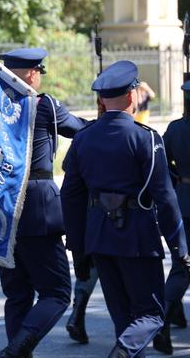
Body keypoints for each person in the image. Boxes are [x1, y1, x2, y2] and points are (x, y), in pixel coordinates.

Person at [61, 60, 190, 357]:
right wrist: (179, 247)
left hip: (99, 238)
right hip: (137, 238)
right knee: (151, 315)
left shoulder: (82, 139)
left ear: (101, 101)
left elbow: (70, 196)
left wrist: (78, 247)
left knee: (123, 317)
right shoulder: (145, 138)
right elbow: (165, 197)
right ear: (132, 97)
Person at [0, 48, 86, 358]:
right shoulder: (44, 106)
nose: (40, 76)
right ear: (30, 74)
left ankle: (15, 353)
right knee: (56, 292)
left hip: (0, 206)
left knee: (17, 294)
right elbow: (80, 130)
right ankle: (15, 351)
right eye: (39, 70)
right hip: (37, 206)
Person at [153, 79, 190, 354]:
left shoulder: (175, 129)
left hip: (183, 200)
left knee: (181, 265)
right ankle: (163, 320)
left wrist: (179, 178)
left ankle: (164, 320)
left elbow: (163, 163)